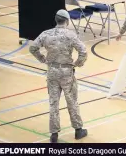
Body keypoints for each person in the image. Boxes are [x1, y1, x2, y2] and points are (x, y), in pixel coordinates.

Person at [29, 9, 89, 143]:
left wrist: (42, 58)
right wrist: (78, 63)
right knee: (72, 101)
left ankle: (54, 134)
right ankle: (78, 130)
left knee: (53, 103)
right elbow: (83, 51)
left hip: (52, 72)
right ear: (67, 21)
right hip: (67, 72)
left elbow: (33, 47)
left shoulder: (46, 34)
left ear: (56, 20)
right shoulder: (71, 35)